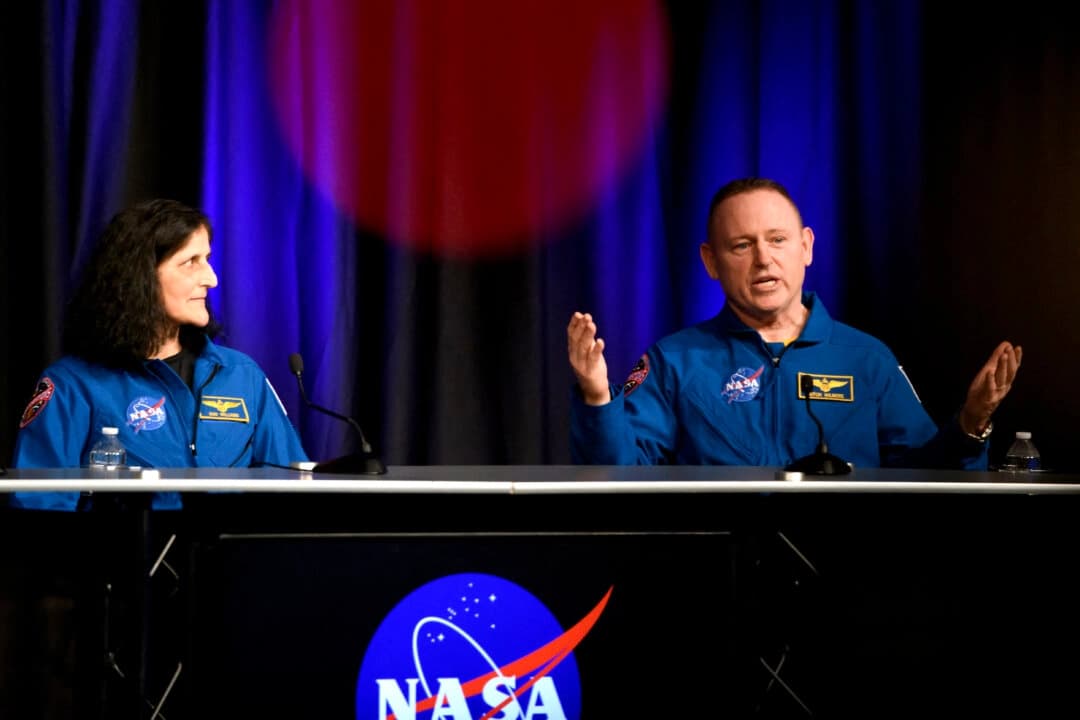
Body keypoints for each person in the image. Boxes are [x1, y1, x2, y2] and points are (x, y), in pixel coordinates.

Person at [567, 177, 1021, 469]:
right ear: (711, 261)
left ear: (805, 247)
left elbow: (927, 480)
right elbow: (618, 477)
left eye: (778, 240)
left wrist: (970, 424)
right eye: (742, 246)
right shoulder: (675, 361)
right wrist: (596, 395)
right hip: (720, 585)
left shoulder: (866, 359)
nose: (764, 259)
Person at [10, 198, 310, 510]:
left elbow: (291, 488)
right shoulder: (73, 384)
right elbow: (39, 508)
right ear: (141, 277)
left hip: (228, 556)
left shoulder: (241, 374)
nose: (211, 278)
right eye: (191, 262)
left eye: (207, 258)